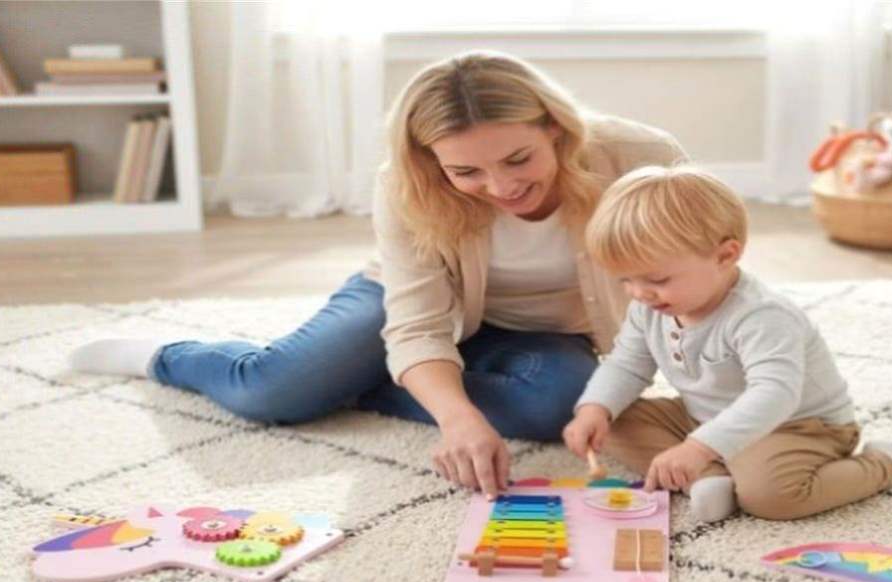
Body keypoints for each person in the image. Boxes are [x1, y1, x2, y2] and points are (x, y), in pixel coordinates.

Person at [70, 52, 686, 497]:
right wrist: (458, 419)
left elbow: (697, 274)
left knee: (561, 406)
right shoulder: (406, 185)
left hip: (547, 329)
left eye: (518, 159)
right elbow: (417, 321)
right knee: (270, 394)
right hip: (420, 303)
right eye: (466, 172)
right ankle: (165, 356)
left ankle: (359, 382)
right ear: (432, 162)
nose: (501, 187)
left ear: (554, 126)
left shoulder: (642, 158)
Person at [562, 166, 892, 522]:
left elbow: (774, 395)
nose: (639, 293)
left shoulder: (761, 316)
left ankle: (885, 462)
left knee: (771, 496)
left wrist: (698, 447)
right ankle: (708, 476)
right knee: (614, 421)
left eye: (656, 279)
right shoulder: (649, 307)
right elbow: (626, 365)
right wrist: (596, 409)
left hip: (796, 426)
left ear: (725, 256)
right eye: (626, 280)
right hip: (704, 416)